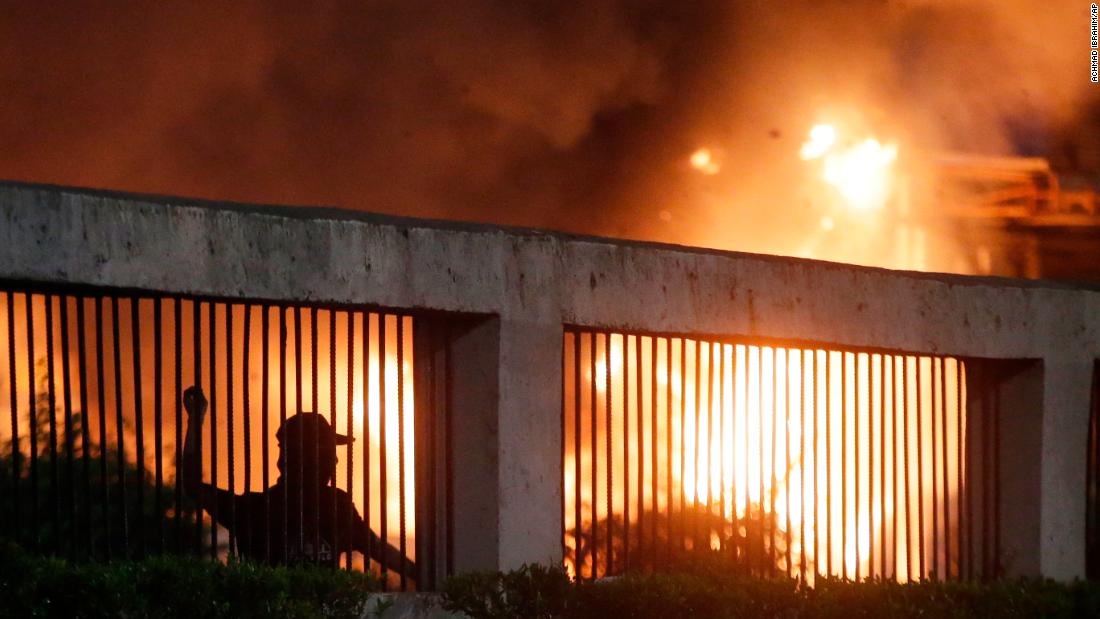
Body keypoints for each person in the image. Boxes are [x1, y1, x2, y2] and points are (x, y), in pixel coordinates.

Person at [181, 385, 413, 578]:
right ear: (312, 458)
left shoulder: (258, 509)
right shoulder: (335, 507)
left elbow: (192, 485)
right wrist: (426, 575)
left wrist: (196, 420)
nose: (336, 460)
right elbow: (381, 550)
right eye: (329, 453)